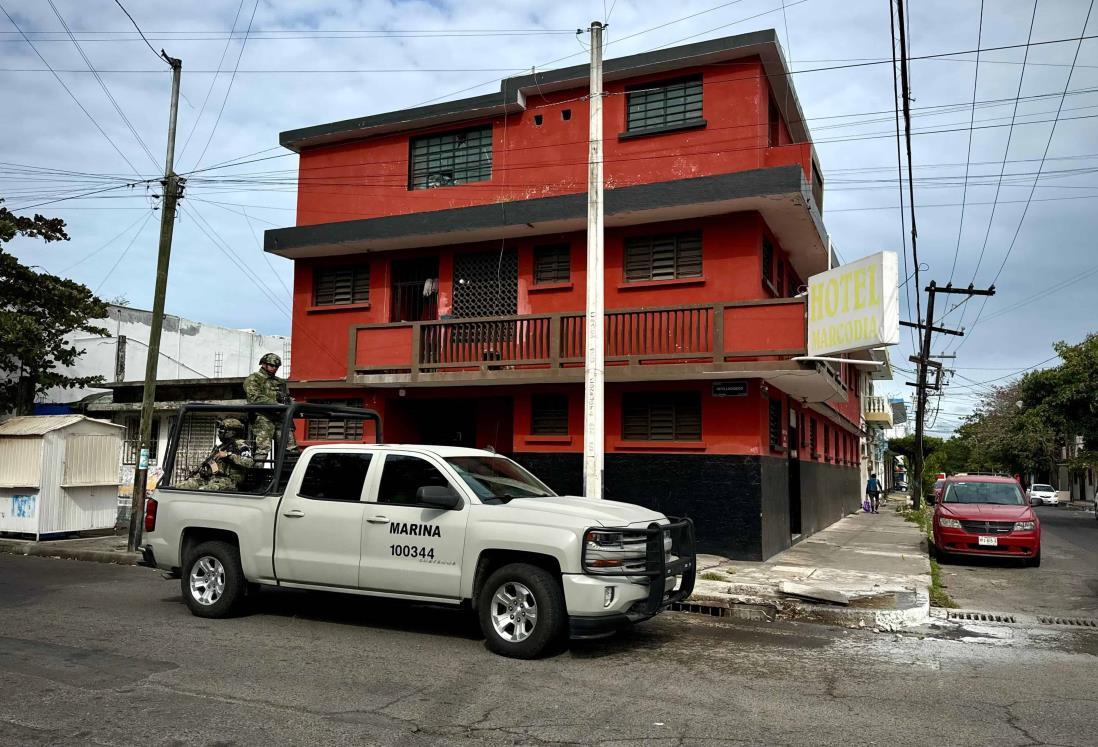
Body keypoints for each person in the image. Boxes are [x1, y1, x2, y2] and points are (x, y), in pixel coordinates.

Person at [176, 418, 254, 492]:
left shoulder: (241, 445)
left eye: (222, 430)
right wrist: (206, 470)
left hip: (229, 481)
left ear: (232, 432)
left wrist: (228, 455)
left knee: (203, 490)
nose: (219, 432)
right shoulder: (220, 447)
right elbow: (215, 469)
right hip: (212, 479)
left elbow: (249, 463)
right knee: (182, 486)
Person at [244, 352, 296, 461]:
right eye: (272, 365)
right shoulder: (254, 378)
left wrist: (290, 402)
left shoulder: (280, 381)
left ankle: (289, 474)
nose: (275, 368)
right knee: (263, 449)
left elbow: (286, 398)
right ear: (263, 364)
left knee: (291, 448)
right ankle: (257, 475)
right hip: (263, 416)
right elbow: (254, 398)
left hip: (280, 417)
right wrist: (276, 400)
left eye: (277, 366)